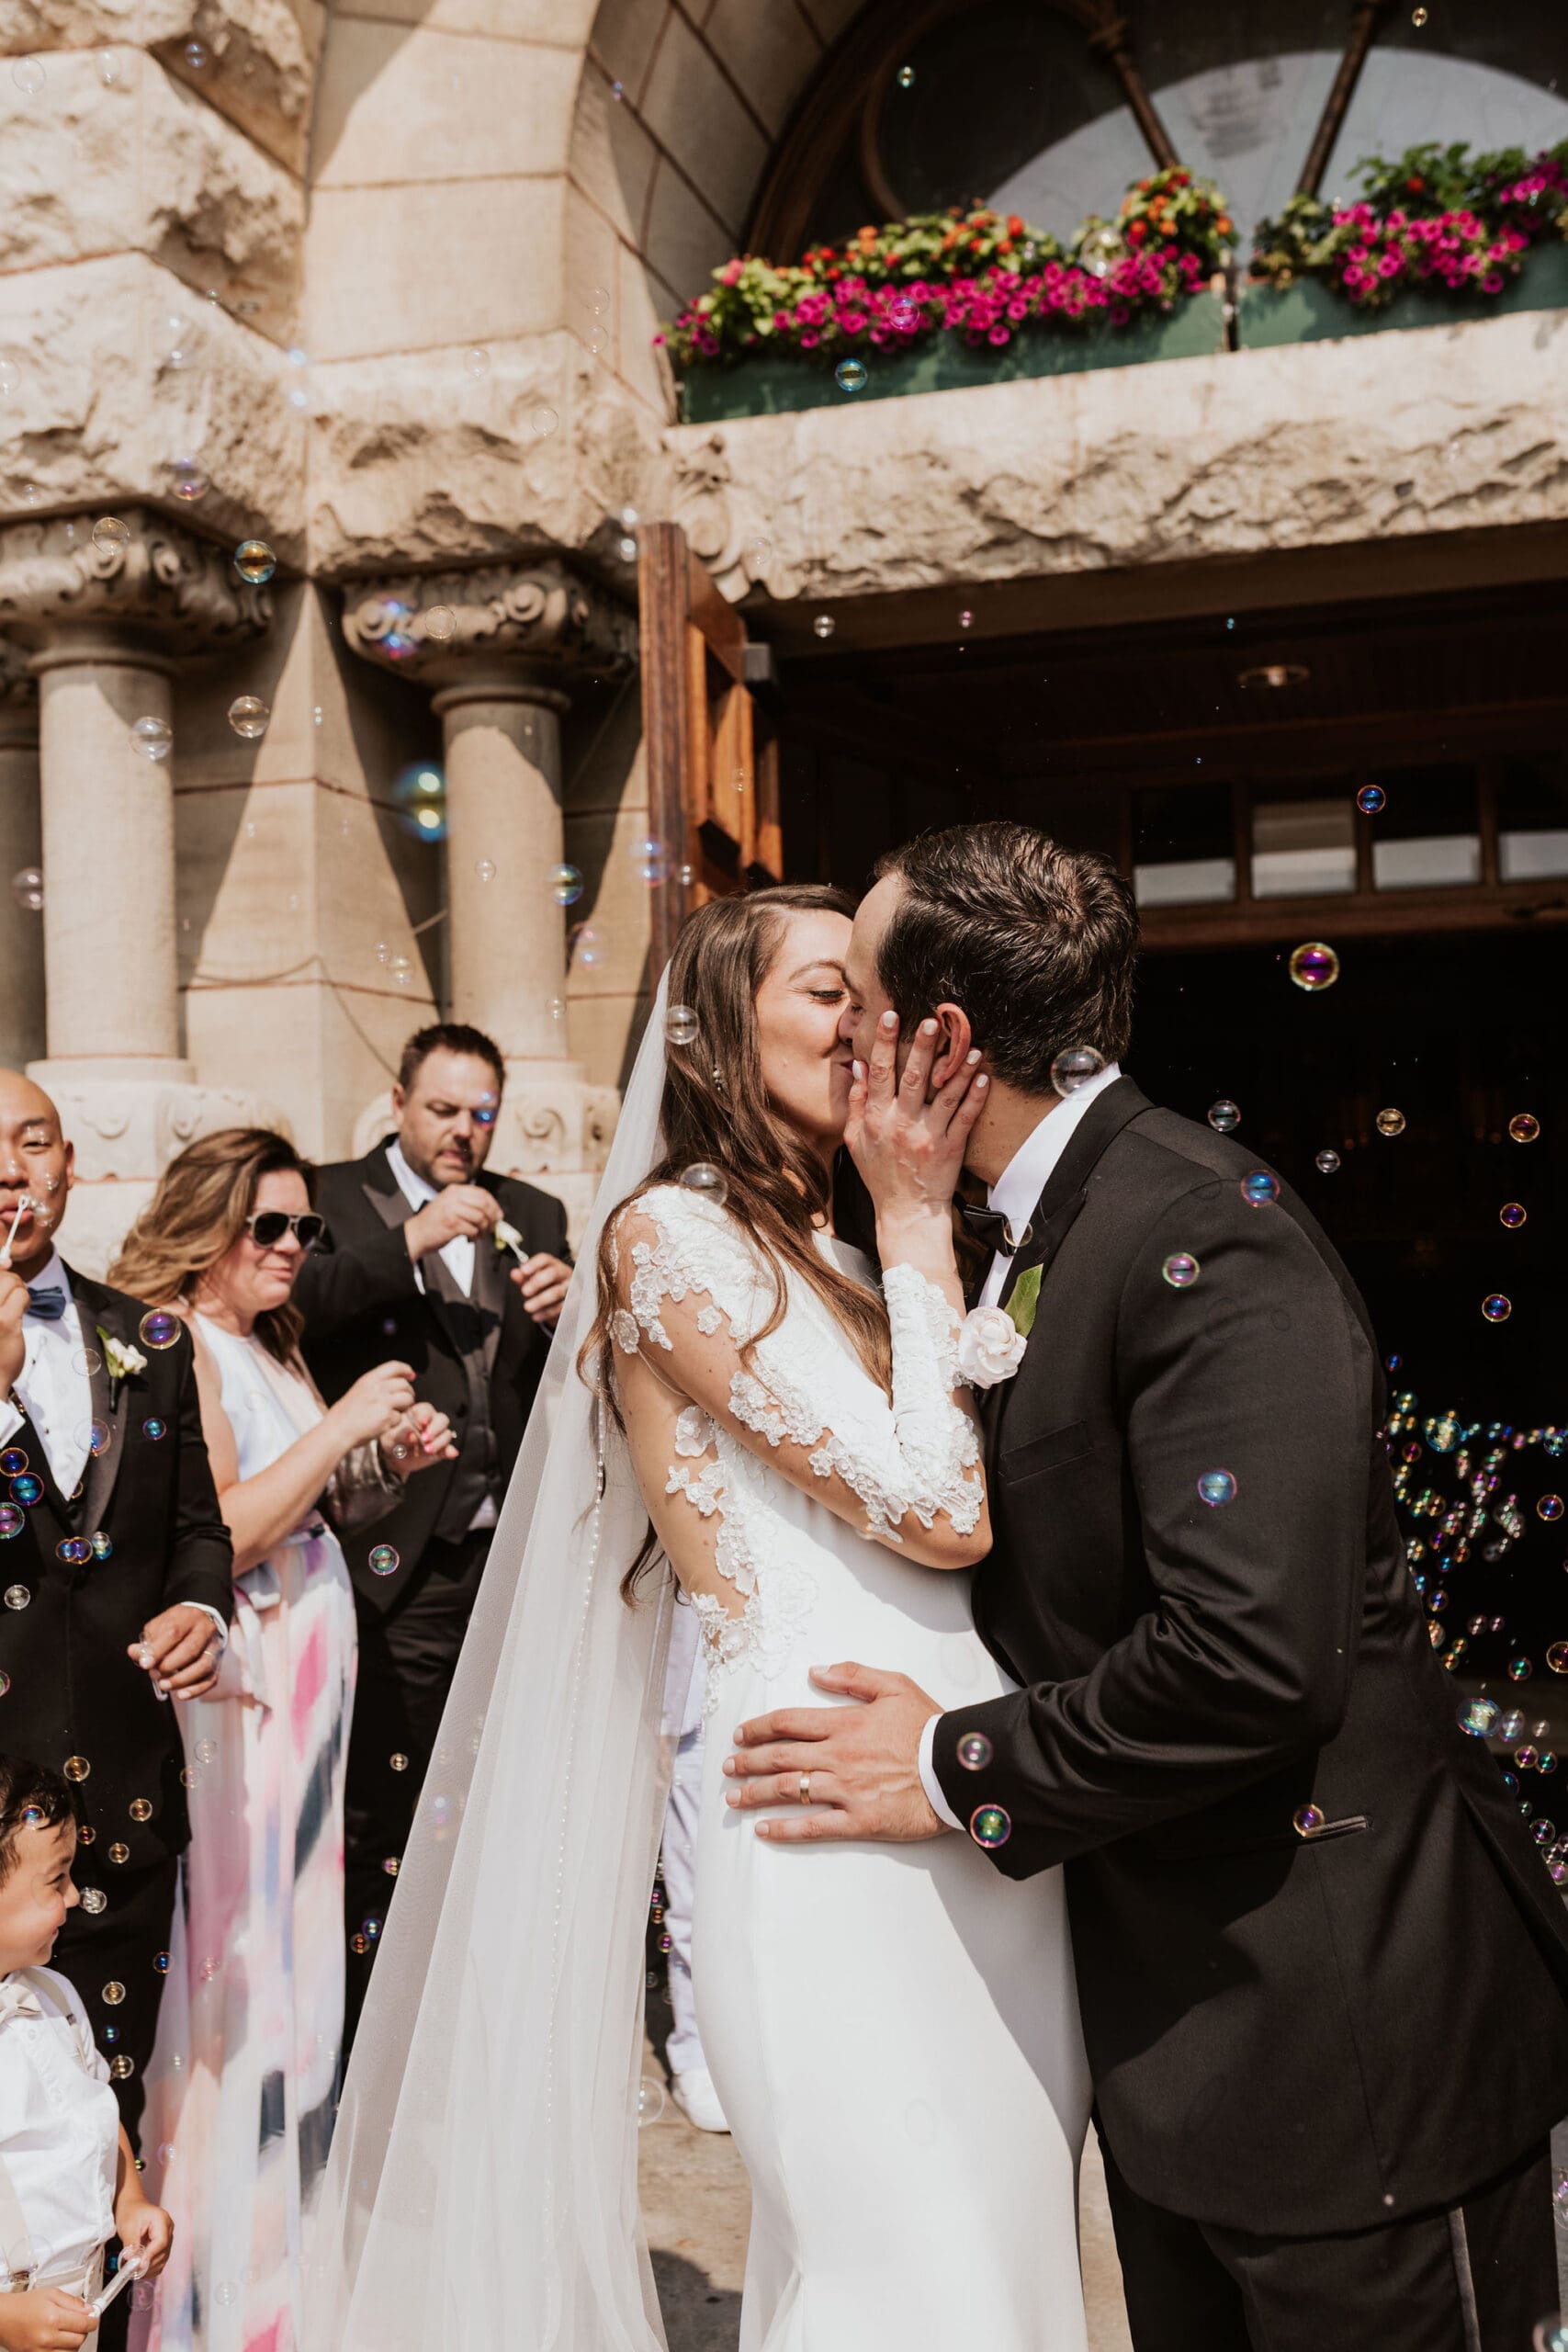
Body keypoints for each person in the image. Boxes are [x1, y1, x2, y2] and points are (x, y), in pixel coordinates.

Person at [722, 823, 1568, 2351]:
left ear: (946, 1039)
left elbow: (1245, 1659)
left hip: (1339, 2052)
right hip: (1181, 2040)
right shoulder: (1021, 1229)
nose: (832, 1031)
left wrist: (944, 1763)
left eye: (856, 996)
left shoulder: (1200, 1234)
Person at [306, 886, 1092, 2352]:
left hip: (961, 1770)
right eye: (824, 992)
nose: (867, 1021)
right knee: (897, 2245)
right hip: (810, 1773)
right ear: (724, 1029)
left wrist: (914, 1239)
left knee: (996, 2214)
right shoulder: (668, 1240)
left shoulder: (867, 1250)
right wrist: (921, 1233)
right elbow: (940, 1509)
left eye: (871, 991)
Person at [107, 1130, 454, 2352]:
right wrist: (347, 1417)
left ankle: (278, 2275)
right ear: (207, 1226)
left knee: (304, 1974)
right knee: (238, 1972)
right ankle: (201, 2293)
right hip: (240, 1702)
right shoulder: (178, 1346)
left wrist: (380, 1468)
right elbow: (227, 1530)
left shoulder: (268, 1346)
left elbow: (314, 1503)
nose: (295, 1250)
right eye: (271, 1227)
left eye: (307, 1230)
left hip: (310, 1702)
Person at [293, 1023, 570, 2033]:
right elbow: (298, 1309)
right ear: (399, 1102)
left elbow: (556, 1392)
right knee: (389, 1793)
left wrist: (569, 1310)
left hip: (504, 1558)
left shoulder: (535, 1211)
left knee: (491, 1786)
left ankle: (472, 2000)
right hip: (389, 1559)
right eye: (444, 1110)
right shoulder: (325, 1197)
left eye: (481, 1114)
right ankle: (379, 2019)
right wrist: (410, 1239)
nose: (464, 1132)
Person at [0, 1072, 232, 2165]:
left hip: (124, 1814)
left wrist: (198, 1603)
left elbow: (198, 1526)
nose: (11, 1167)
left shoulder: (151, 1340)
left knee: (106, 2131)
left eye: (33, 1139)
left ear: (68, 1163)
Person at [0, 1752, 174, 2350]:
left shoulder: (56, 1996)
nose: (74, 1897)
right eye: (56, 1879)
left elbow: (95, 2112)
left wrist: (130, 2203)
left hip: (74, 2319)